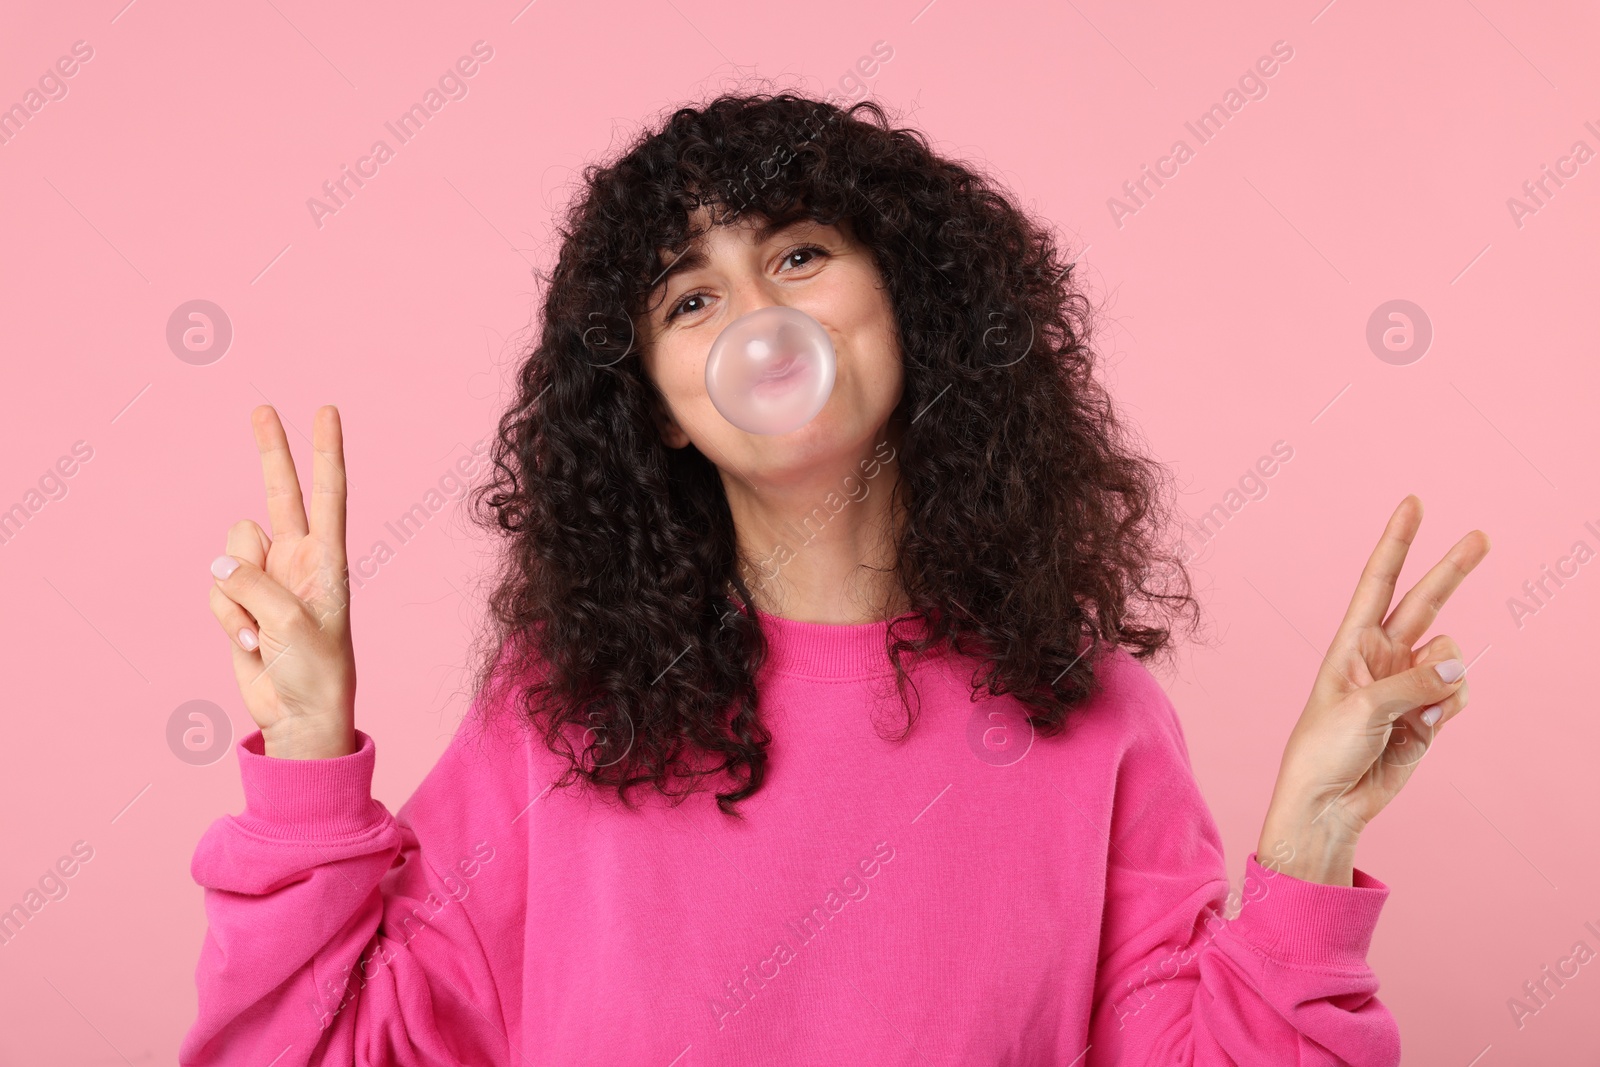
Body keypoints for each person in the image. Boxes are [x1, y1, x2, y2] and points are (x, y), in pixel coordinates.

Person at [181, 93, 1488, 1065]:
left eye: (798, 255)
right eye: (690, 301)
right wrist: (305, 755)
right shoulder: (563, 713)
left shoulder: (1095, 722)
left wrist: (1311, 837)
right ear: (664, 411)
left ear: (906, 304)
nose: (761, 321)